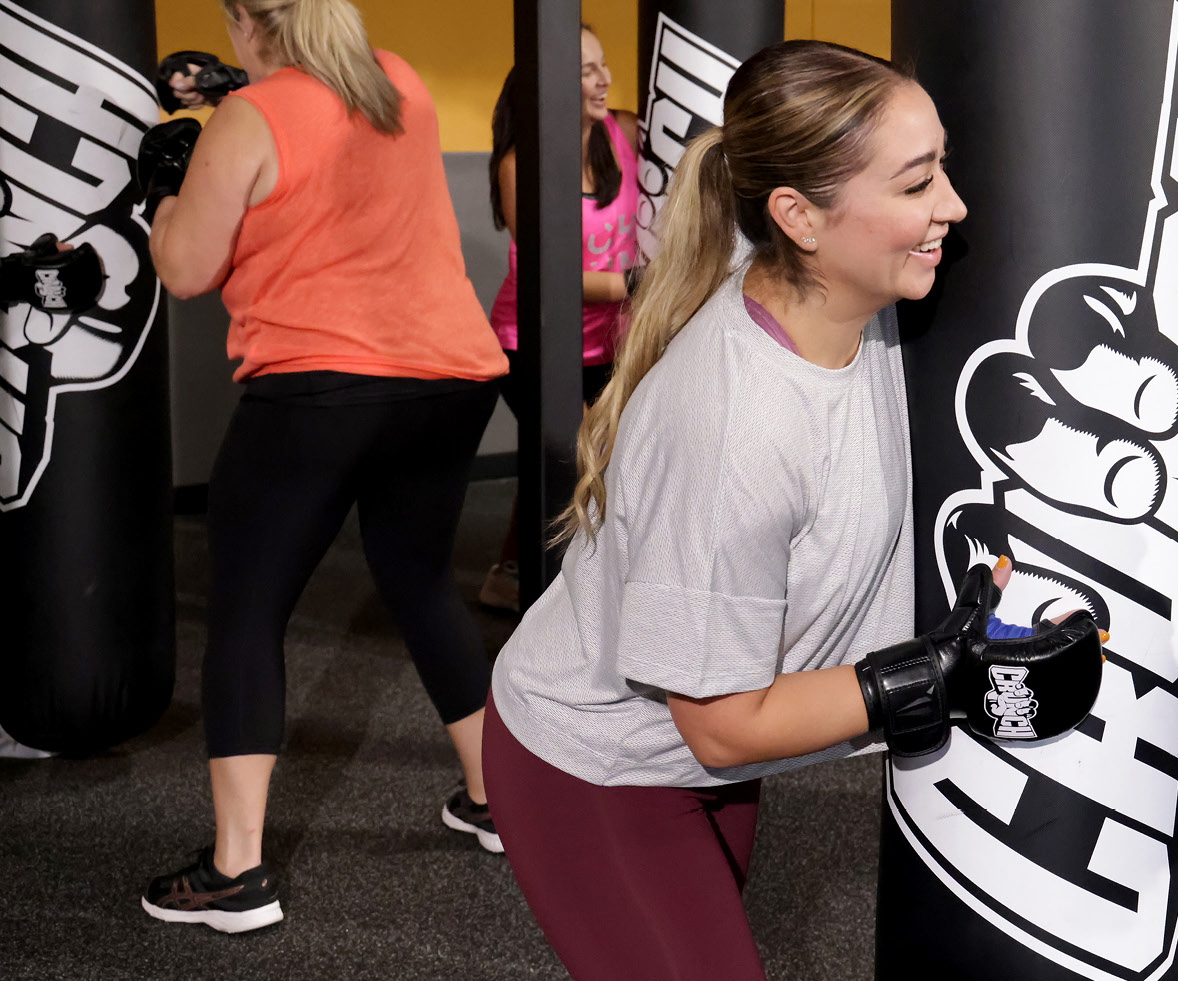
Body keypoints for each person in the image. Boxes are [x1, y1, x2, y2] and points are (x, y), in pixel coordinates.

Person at [481, 41, 1103, 981]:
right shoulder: (736, 422)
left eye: (945, 167)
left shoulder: (858, 293)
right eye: (916, 183)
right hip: (600, 762)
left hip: (707, 766)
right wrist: (943, 673)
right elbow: (722, 722)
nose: (955, 207)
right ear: (798, 217)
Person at [134, 0, 509, 933]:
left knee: (249, 611)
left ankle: (236, 875)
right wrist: (230, 97)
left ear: (240, 22)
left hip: (320, 390)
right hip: (447, 378)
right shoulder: (399, 82)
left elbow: (185, 268)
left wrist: (161, 190)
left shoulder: (246, 121)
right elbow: (322, 127)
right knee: (420, 581)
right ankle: (495, 798)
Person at [476, 24, 642, 613]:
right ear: (548, 85)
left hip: (608, 341)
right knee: (583, 456)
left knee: (569, 454)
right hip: (532, 341)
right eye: (586, 72)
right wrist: (636, 284)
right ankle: (568, 601)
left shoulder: (620, 132)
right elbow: (549, 274)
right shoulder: (521, 165)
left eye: (603, 66)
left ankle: (510, 572)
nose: (605, 80)